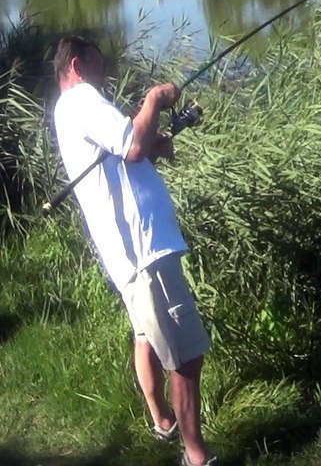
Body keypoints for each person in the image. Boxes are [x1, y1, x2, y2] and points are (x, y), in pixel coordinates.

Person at [51, 35, 215, 466]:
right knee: (185, 356)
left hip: (130, 254)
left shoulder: (69, 112)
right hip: (143, 251)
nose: (105, 78)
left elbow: (128, 151)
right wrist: (154, 98)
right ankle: (196, 455)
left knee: (147, 335)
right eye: (99, 67)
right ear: (77, 66)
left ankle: (162, 421)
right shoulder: (82, 99)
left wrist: (150, 146)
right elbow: (132, 143)